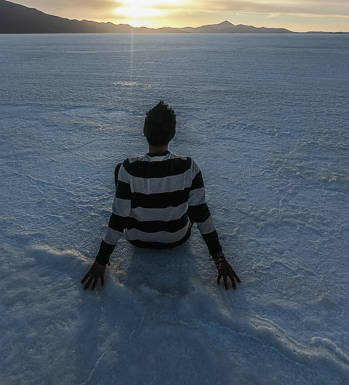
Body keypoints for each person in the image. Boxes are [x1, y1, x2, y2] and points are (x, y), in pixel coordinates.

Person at [81, 101, 241, 291]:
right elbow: (201, 215)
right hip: (176, 238)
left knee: (120, 173)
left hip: (137, 239)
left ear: (144, 132)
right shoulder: (188, 166)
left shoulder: (128, 168)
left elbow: (119, 217)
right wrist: (219, 260)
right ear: (173, 134)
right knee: (193, 201)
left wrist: (101, 260)